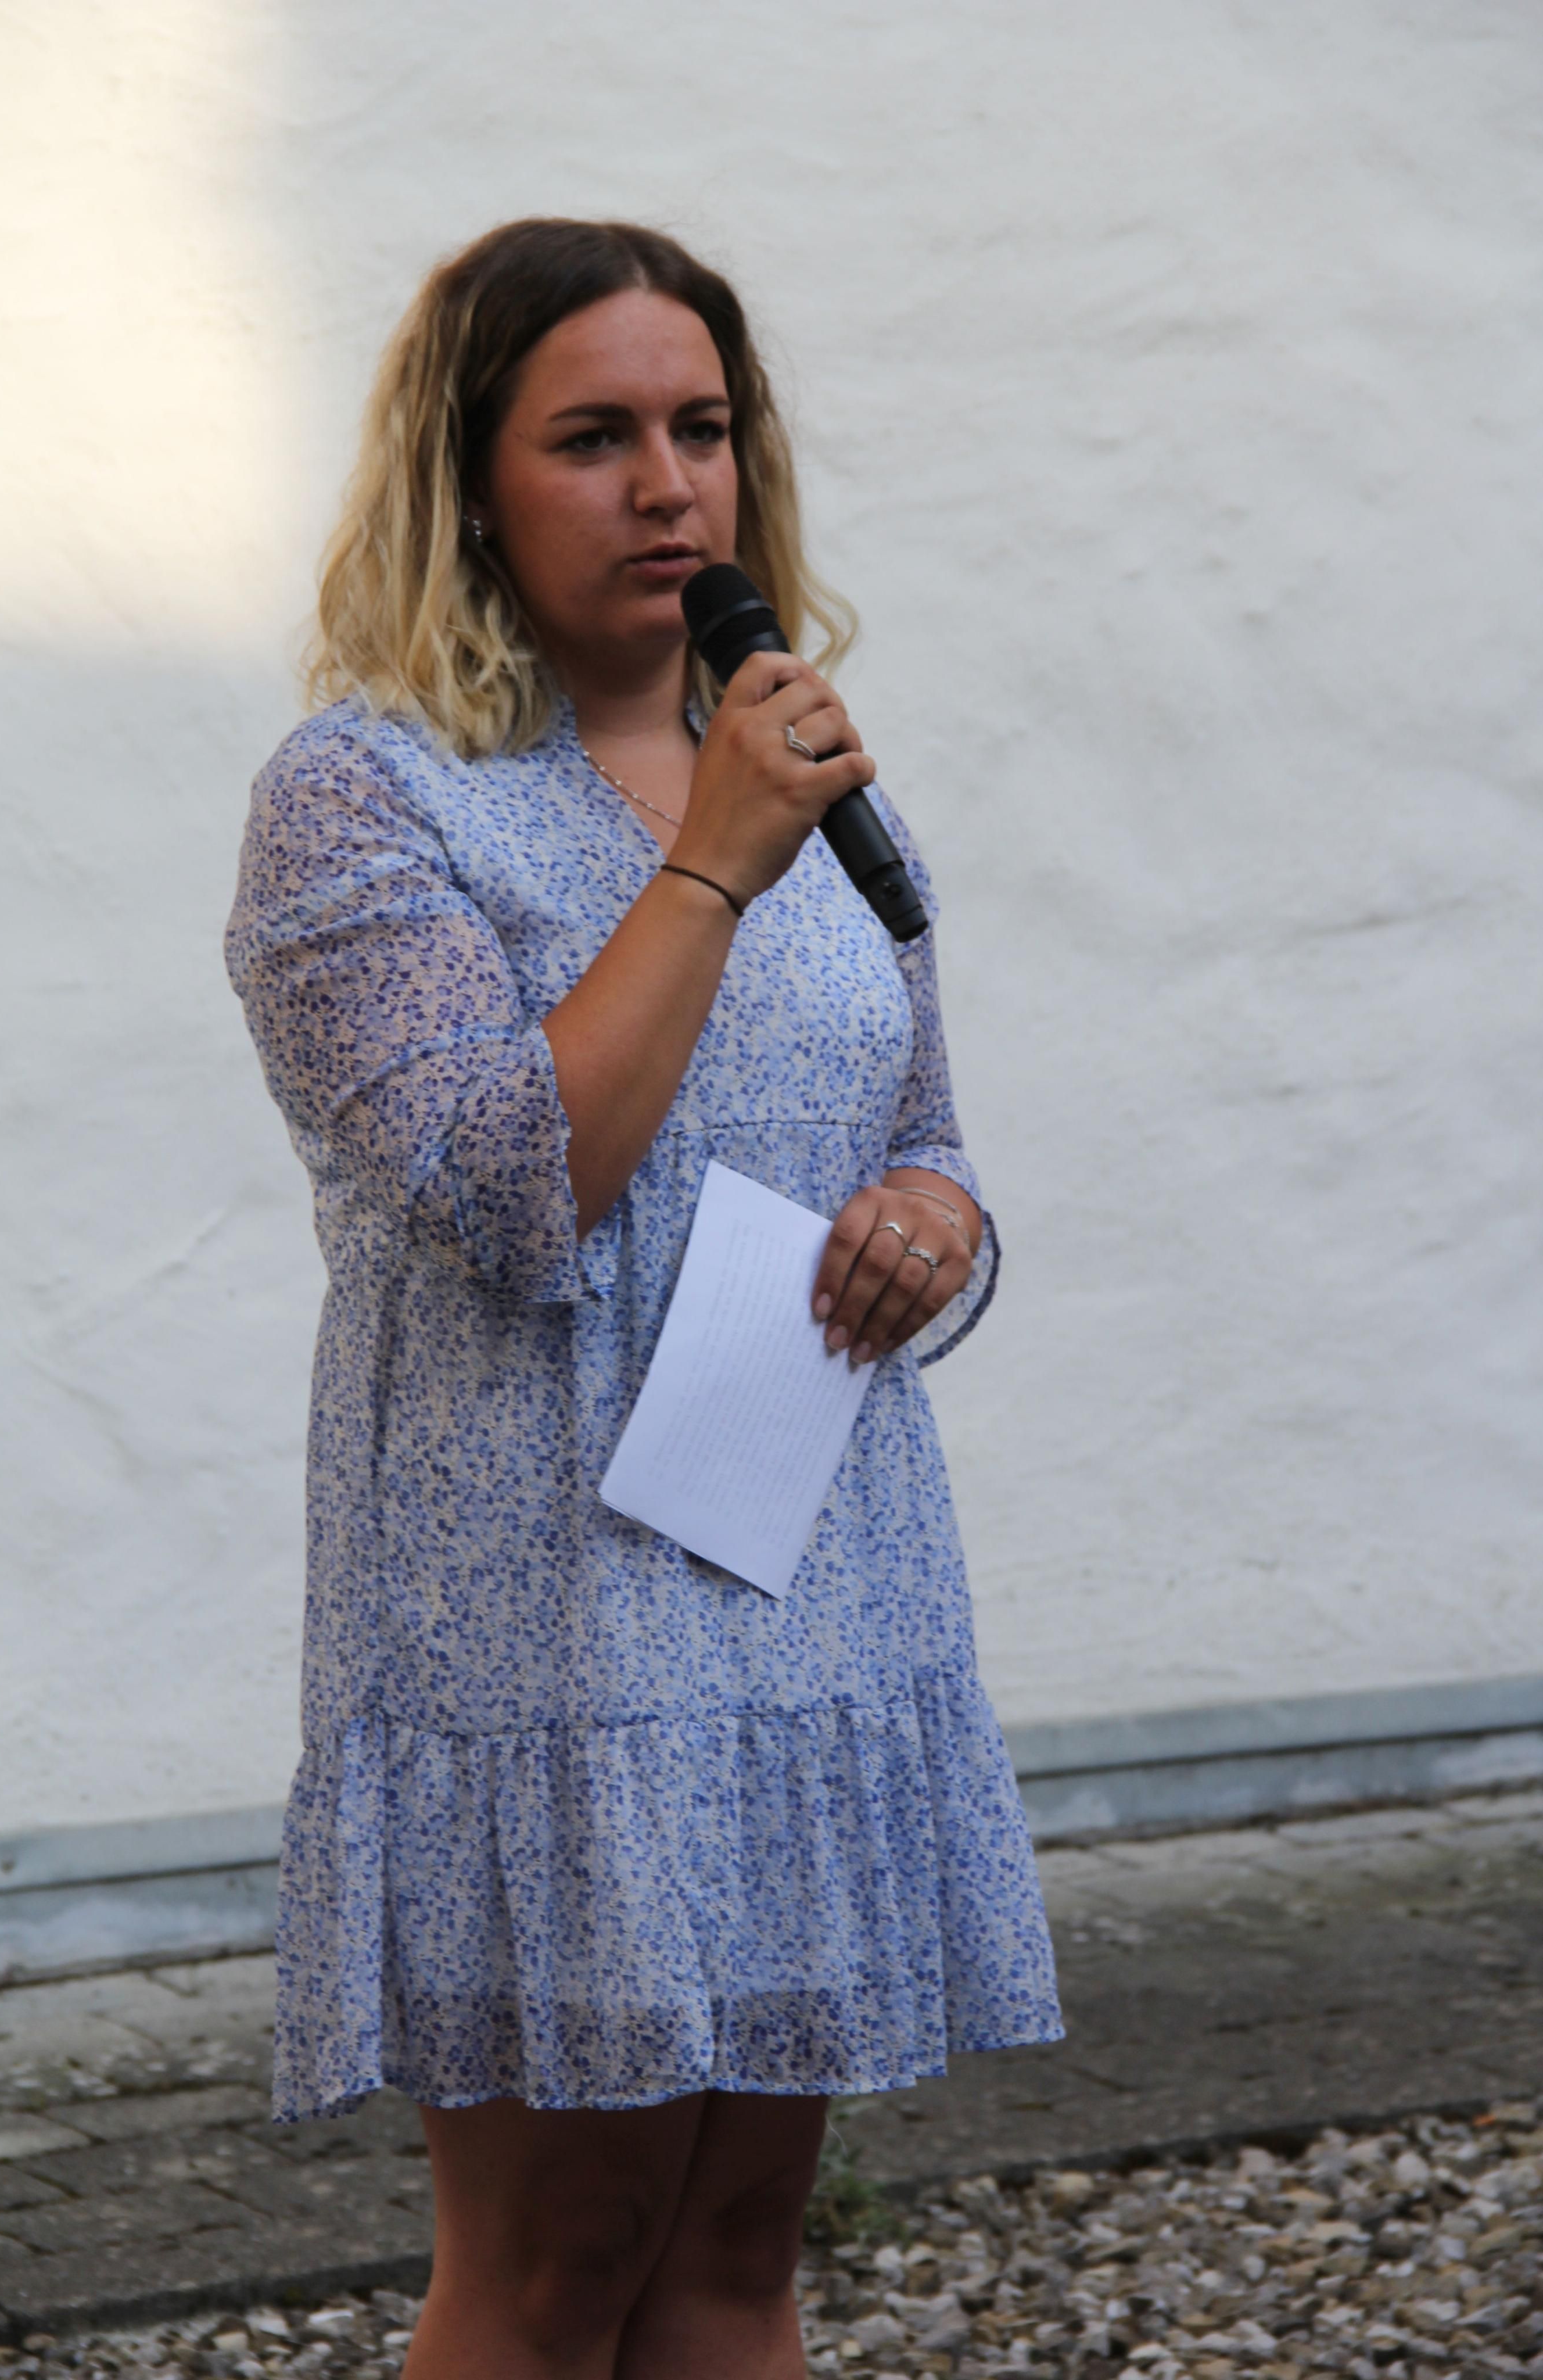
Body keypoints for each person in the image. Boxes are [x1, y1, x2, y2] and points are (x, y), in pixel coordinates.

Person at [226, 217, 1060, 2380]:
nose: (668, 486)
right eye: (592, 437)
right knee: (556, 2264)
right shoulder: (364, 798)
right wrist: (705, 861)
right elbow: (510, 1189)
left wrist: (933, 1226)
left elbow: (924, 1133)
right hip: (545, 1632)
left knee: (739, 2253)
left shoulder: (800, 767)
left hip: (807, 1591)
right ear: (467, 479)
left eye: (701, 428)